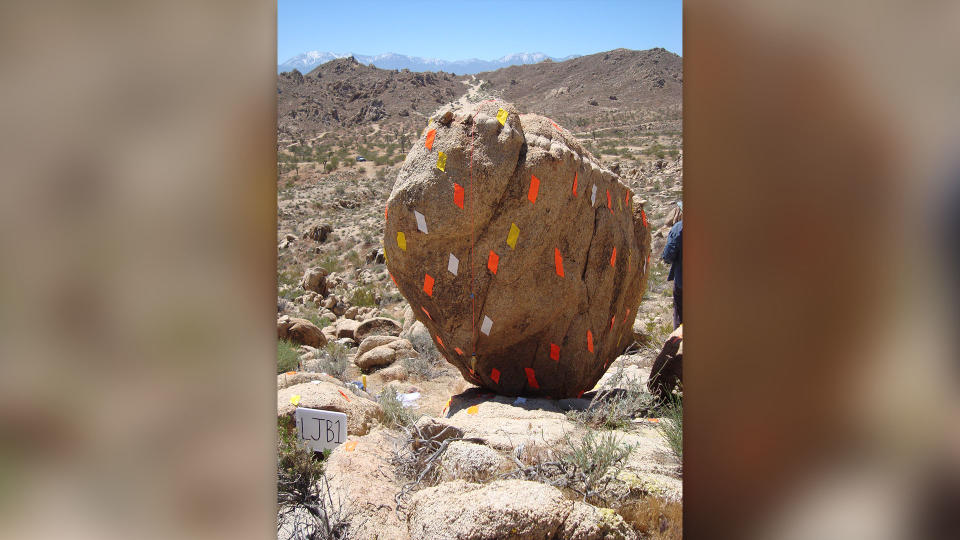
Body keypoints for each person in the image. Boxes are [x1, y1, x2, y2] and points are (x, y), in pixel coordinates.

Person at [661, 202, 683, 329]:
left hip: (683, 281)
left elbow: (668, 255)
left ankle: (680, 345)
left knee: (680, 317)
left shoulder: (679, 228)